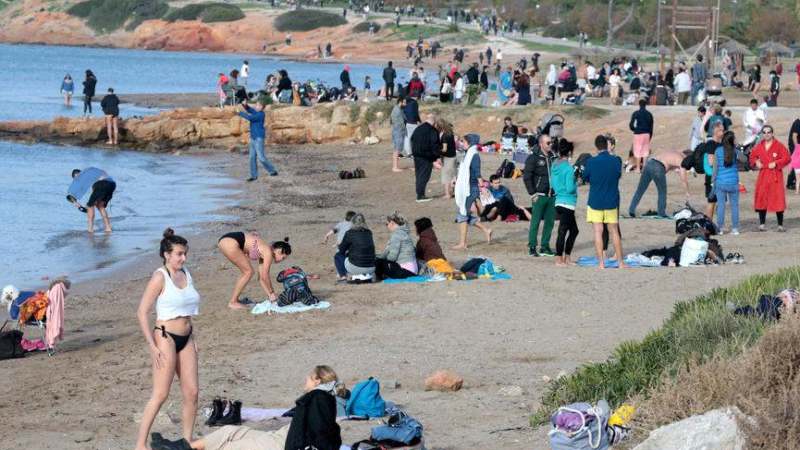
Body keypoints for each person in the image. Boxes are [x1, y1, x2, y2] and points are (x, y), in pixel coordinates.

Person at [151, 366, 342, 450]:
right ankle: (180, 447)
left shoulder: (318, 399)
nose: (305, 379)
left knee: (230, 446)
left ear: (317, 381)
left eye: (309, 377)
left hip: (282, 445)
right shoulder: (321, 398)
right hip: (279, 437)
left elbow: (319, 436)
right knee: (229, 431)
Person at [135, 229, 200, 450]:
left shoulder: (187, 273)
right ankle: (141, 444)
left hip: (187, 338)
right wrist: (152, 346)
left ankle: (187, 440)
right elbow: (142, 312)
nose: (184, 258)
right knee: (161, 393)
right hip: (165, 337)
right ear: (167, 254)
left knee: (192, 392)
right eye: (179, 254)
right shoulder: (159, 277)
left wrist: (194, 337)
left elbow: (187, 311)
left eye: (185, 253)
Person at [583, 135, 626, 269]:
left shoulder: (591, 161)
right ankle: (620, 262)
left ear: (596, 147)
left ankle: (601, 263)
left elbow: (585, 178)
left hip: (595, 200)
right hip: (611, 200)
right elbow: (618, 176)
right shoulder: (615, 161)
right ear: (607, 145)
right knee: (614, 231)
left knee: (598, 231)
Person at [217, 233, 291, 309]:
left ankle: (235, 300)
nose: (281, 260)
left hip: (226, 241)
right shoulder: (268, 252)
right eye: (283, 258)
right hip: (230, 242)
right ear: (279, 251)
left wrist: (270, 296)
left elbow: (261, 278)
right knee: (248, 272)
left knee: (247, 272)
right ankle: (233, 302)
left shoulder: (264, 252)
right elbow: (265, 276)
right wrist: (272, 293)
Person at [453, 134, 492, 249]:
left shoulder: (474, 155)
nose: (462, 143)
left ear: (469, 143)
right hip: (467, 187)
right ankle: (486, 230)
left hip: (470, 189)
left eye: (463, 142)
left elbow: (477, 173)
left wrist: (483, 188)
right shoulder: (468, 154)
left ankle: (463, 243)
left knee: (462, 214)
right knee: (465, 213)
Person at [749, 124, 790, 232]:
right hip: (763, 175)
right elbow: (752, 156)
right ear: (762, 134)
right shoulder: (759, 146)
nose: (766, 134)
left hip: (775, 175)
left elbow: (787, 157)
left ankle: (780, 225)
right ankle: (762, 224)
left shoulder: (779, 145)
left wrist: (776, 163)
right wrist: (756, 161)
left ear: (772, 133)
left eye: (769, 132)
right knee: (762, 198)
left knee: (778, 198)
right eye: (764, 132)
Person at [628, 150, 690, 218]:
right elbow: (683, 179)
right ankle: (661, 213)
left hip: (650, 163)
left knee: (640, 190)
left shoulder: (675, 153)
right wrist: (687, 192)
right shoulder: (681, 160)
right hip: (658, 167)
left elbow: (671, 165)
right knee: (662, 192)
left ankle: (631, 210)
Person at [524, 134, 557, 257]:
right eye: (548, 143)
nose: (550, 145)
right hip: (539, 195)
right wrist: (532, 193)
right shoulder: (533, 158)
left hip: (552, 195)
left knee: (550, 222)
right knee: (535, 221)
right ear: (541, 144)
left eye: (551, 142)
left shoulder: (554, 157)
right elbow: (527, 176)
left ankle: (545, 246)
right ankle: (532, 246)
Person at [551, 141, 578, 267]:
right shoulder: (568, 167)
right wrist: (575, 180)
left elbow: (553, 183)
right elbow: (570, 188)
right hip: (568, 201)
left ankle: (566, 257)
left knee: (574, 230)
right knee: (563, 230)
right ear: (569, 152)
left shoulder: (554, 165)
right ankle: (558, 259)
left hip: (558, 201)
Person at [237, 100, 278, 182]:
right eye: (256, 105)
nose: (256, 106)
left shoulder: (260, 114)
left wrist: (239, 113)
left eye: (258, 105)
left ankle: (272, 170)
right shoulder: (256, 112)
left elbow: (250, 117)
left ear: (262, 107)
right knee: (252, 157)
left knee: (261, 158)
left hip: (259, 138)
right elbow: (250, 110)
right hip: (253, 137)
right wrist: (245, 105)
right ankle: (253, 175)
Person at [66, 167, 115, 233]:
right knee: (100, 206)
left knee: (90, 206)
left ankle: (90, 230)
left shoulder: (84, 176)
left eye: (76, 179)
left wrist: (81, 206)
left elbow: (70, 196)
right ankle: (108, 228)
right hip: (112, 185)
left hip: (102, 184)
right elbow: (95, 194)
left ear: (77, 175)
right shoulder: (92, 174)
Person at [710, 131, 741, 235]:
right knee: (735, 206)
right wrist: (737, 148)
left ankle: (720, 228)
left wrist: (712, 181)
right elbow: (745, 159)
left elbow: (715, 168)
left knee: (721, 206)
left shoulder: (718, 151)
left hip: (720, 182)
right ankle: (735, 229)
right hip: (733, 182)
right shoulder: (735, 151)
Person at [375, 212, 418, 280]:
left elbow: (392, 257)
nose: (387, 226)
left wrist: (381, 259)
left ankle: (378, 278)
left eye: (387, 224)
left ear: (392, 223)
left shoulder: (396, 235)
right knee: (380, 260)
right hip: (413, 270)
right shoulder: (404, 233)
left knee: (378, 263)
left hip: (405, 270)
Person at [410, 113, 441, 202]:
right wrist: (436, 157)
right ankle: (420, 196)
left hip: (417, 155)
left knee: (419, 174)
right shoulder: (432, 130)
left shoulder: (418, 128)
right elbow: (434, 145)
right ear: (434, 121)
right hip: (426, 156)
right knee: (424, 176)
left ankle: (419, 193)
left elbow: (411, 140)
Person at [338, 213, 376, 280]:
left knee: (338, 256)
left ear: (352, 222)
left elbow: (341, 250)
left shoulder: (349, 233)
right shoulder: (369, 232)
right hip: (371, 267)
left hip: (357, 267)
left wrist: (341, 245)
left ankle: (343, 276)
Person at [629, 99, 654, 173]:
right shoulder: (649, 114)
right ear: (645, 105)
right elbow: (651, 126)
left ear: (639, 105)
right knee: (645, 151)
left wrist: (634, 129)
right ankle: (644, 168)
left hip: (638, 133)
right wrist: (650, 135)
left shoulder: (635, 113)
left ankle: (637, 168)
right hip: (647, 134)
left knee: (637, 150)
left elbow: (631, 125)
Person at [438, 118, 457, 199]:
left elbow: (444, 149)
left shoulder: (445, 135)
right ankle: (454, 192)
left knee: (446, 177)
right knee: (453, 176)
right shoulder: (450, 133)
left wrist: (437, 151)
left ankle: (447, 194)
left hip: (447, 158)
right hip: (453, 156)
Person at [390, 98, 406, 173]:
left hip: (397, 130)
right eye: (404, 102)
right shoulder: (397, 110)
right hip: (398, 131)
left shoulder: (397, 109)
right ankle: (395, 167)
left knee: (397, 149)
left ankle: (395, 166)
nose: (405, 103)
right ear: (400, 102)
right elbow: (400, 122)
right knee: (397, 149)